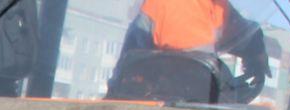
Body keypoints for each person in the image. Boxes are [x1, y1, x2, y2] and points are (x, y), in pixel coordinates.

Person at [112, 0, 268, 103]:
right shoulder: (217, 5)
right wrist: (257, 56)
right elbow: (246, 34)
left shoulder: (152, 7)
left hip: (158, 100)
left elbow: (126, 66)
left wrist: (114, 92)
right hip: (203, 99)